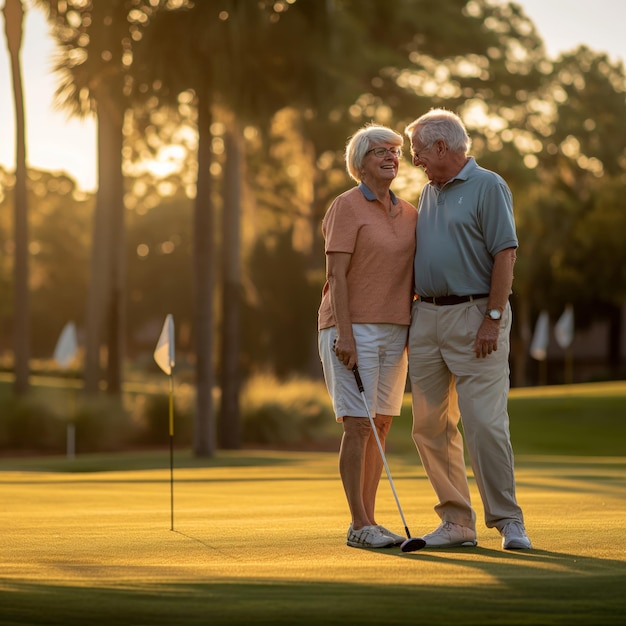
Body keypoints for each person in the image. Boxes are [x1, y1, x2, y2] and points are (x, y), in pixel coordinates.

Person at [404, 108, 532, 550]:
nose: (414, 158)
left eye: (418, 150)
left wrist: (493, 318)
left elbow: (506, 254)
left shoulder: (489, 185)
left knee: (484, 424)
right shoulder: (427, 192)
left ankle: (508, 521)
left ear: (442, 146)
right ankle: (457, 522)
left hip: (475, 316)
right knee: (430, 427)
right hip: (427, 319)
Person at [318, 123, 417, 549]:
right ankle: (358, 524)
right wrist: (345, 334)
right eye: (381, 151)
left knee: (380, 424)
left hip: (395, 330)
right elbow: (335, 275)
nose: (392, 157)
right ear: (360, 162)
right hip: (350, 329)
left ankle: (372, 522)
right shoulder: (346, 206)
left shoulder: (410, 211)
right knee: (357, 425)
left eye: (396, 151)